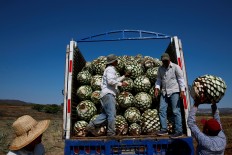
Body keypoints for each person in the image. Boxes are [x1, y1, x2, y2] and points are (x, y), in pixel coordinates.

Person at [86, 54, 129, 136]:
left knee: (105, 115)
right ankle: (111, 133)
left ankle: (91, 125)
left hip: (105, 94)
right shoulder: (110, 69)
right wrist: (121, 84)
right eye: (116, 61)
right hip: (109, 94)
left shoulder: (109, 69)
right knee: (112, 115)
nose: (117, 62)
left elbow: (114, 79)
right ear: (113, 62)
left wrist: (124, 76)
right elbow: (110, 81)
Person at [154, 53, 185, 139]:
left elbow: (180, 79)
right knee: (162, 110)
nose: (165, 62)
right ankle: (164, 129)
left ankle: (179, 131)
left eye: (166, 61)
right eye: (163, 61)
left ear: (169, 59)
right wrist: (157, 88)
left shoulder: (175, 67)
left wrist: (182, 90)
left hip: (174, 91)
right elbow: (159, 79)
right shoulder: (160, 69)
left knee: (176, 111)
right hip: (164, 92)